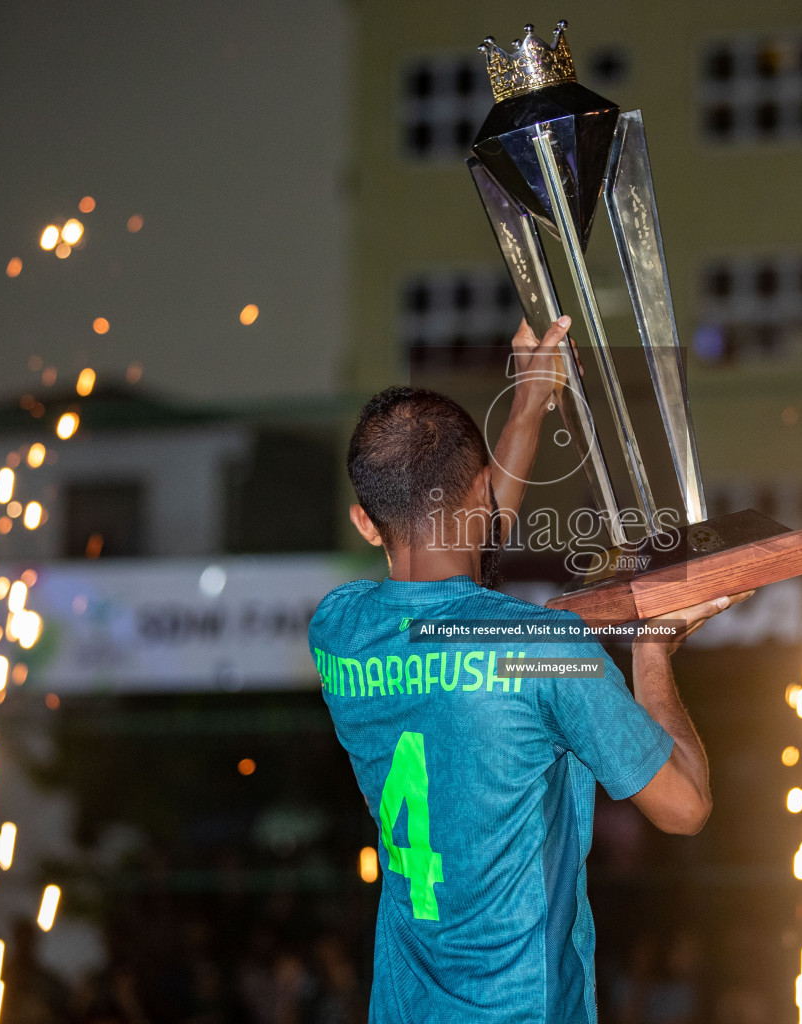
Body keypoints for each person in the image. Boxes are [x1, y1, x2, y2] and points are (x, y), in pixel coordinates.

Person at [307, 316, 743, 1023]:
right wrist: (652, 650)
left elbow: (465, 567)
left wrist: (530, 403)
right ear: (479, 489)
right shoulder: (543, 651)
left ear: (364, 521)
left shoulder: (338, 630)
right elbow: (685, 806)